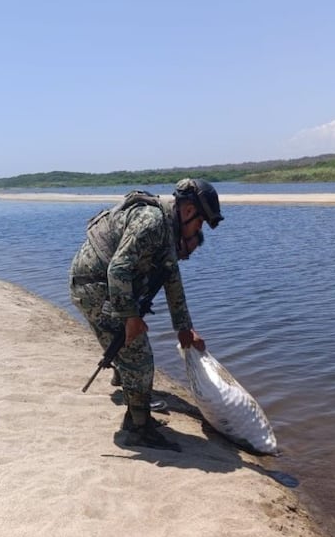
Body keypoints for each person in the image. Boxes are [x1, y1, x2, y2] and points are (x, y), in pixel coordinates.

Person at [68, 178, 223, 451]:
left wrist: (185, 329)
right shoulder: (153, 223)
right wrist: (131, 317)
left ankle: (138, 417)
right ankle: (138, 430)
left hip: (105, 286)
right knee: (139, 358)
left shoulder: (168, 230)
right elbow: (118, 268)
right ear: (188, 211)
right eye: (199, 223)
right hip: (94, 286)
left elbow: (172, 282)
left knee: (135, 354)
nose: (198, 230)